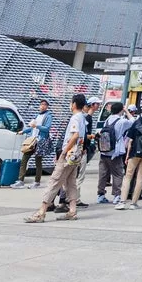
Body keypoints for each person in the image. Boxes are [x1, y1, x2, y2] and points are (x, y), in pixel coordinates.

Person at [27, 93, 89, 222]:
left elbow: (75, 135)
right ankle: (72, 210)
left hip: (68, 155)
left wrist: (64, 151)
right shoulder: (83, 118)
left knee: (55, 181)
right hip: (76, 155)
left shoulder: (75, 118)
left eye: (71, 102)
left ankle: (41, 212)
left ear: (74, 104)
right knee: (71, 182)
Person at [96, 102, 132, 205]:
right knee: (117, 174)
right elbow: (133, 122)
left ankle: (101, 195)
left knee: (103, 174)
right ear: (121, 110)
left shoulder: (107, 120)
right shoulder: (121, 121)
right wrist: (127, 111)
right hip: (115, 152)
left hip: (104, 151)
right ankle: (117, 195)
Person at [24, 99, 53, 189]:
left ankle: (37, 182)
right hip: (32, 140)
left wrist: (37, 126)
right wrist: (23, 131)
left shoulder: (48, 116)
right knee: (25, 158)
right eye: (41, 104)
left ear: (47, 106)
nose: (43, 106)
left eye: (45, 104)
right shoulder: (36, 115)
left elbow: (47, 128)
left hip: (41, 141)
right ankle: (20, 180)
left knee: (38, 161)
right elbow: (31, 127)